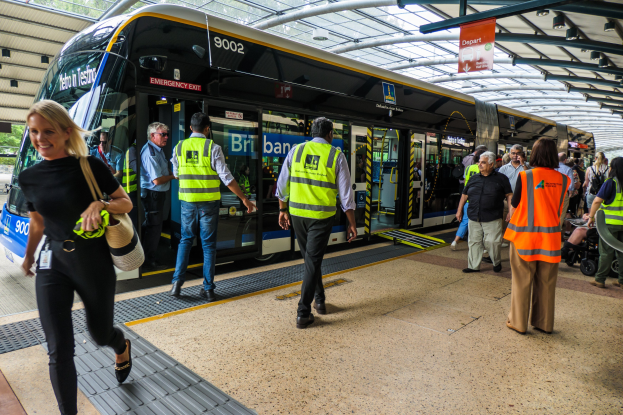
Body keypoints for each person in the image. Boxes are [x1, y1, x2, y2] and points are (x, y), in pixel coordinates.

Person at [18, 100, 133, 415]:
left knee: (100, 334)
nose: (40, 138)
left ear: (66, 132)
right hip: (53, 264)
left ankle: (121, 345)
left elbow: (126, 203)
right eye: (34, 132)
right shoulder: (29, 177)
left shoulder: (90, 166)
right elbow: (38, 221)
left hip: (92, 261)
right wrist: (29, 257)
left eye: (48, 131)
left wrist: (103, 205)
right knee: (59, 349)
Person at [276, 117, 357, 329]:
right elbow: (346, 196)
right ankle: (303, 312)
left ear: (312, 133)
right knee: (312, 261)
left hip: (298, 216)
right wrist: (352, 223)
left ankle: (319, 300)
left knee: (311, 260)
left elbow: (282, 184)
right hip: (321, 217)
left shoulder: (296, 151)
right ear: (330, 134)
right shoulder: (336, 156)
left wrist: (282, 210)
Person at [169, 113, 256, 299]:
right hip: (209, 203)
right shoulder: (213, 148)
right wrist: (243, 198)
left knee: (185, 239)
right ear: (208, 129)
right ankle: (208, 289)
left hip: (187, 201)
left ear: (191, 128)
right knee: (208, 245)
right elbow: (227, 178)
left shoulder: (179, 147)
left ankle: (176, 284)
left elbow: (176, 174)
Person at [504, 138, 568, 335]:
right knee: (547, 283)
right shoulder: (564, 180)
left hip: (524, 237)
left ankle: (518, 323)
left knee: (522, 281)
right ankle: (544, 323)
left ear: (534, 154)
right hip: (551, 239)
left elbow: (514, 204)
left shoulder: (526, 176)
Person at [456, 151, 512, 273]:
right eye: (479, 162)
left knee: (492, 242)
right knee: (474, 242)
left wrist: (510, 211)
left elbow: (509, 195)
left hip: (492, 216)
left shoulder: (502, 179)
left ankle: (496, 261)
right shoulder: (474, 178)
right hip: (473, 215)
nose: (480, 165)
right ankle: (473, 266)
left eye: (483, 162)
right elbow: (464, 194)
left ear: (491, 164)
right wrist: (459, 210)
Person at [140, 122, 176, 270]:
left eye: (167, 134)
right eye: (163, 134)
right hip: (153, 195)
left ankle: (145, 255)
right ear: (152, 135)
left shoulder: (158, 149)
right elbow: (157, 180)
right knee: (154, 229)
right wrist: (174, 176)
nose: (166, 137)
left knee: (151, 225)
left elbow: (164, 169)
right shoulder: (151, 153)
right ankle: (149, 261)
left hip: (156, 195)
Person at [585, 157, 623, 289]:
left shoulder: (611, 182)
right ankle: (622, 281)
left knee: (606, 252)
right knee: (622, 252)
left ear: (612, 168)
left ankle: (600, 279)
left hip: (610, 225)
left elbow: (597, 201)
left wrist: (591, 217)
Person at [451, 148, 484, 250]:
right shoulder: (482, 169)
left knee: (465, 221)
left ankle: (455, 241)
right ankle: (480, 245)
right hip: (478, 199)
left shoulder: (469, 167)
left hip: (467, 197)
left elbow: (465, 181)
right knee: (481, 222)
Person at [556, 153, 575, 232]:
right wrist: (570, 192)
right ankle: (557, 231)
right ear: (565, 160)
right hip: (563, 193)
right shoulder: (568, 169)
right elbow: (571, 184)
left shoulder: (551, 167)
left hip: (551, 192)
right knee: (561, 213)